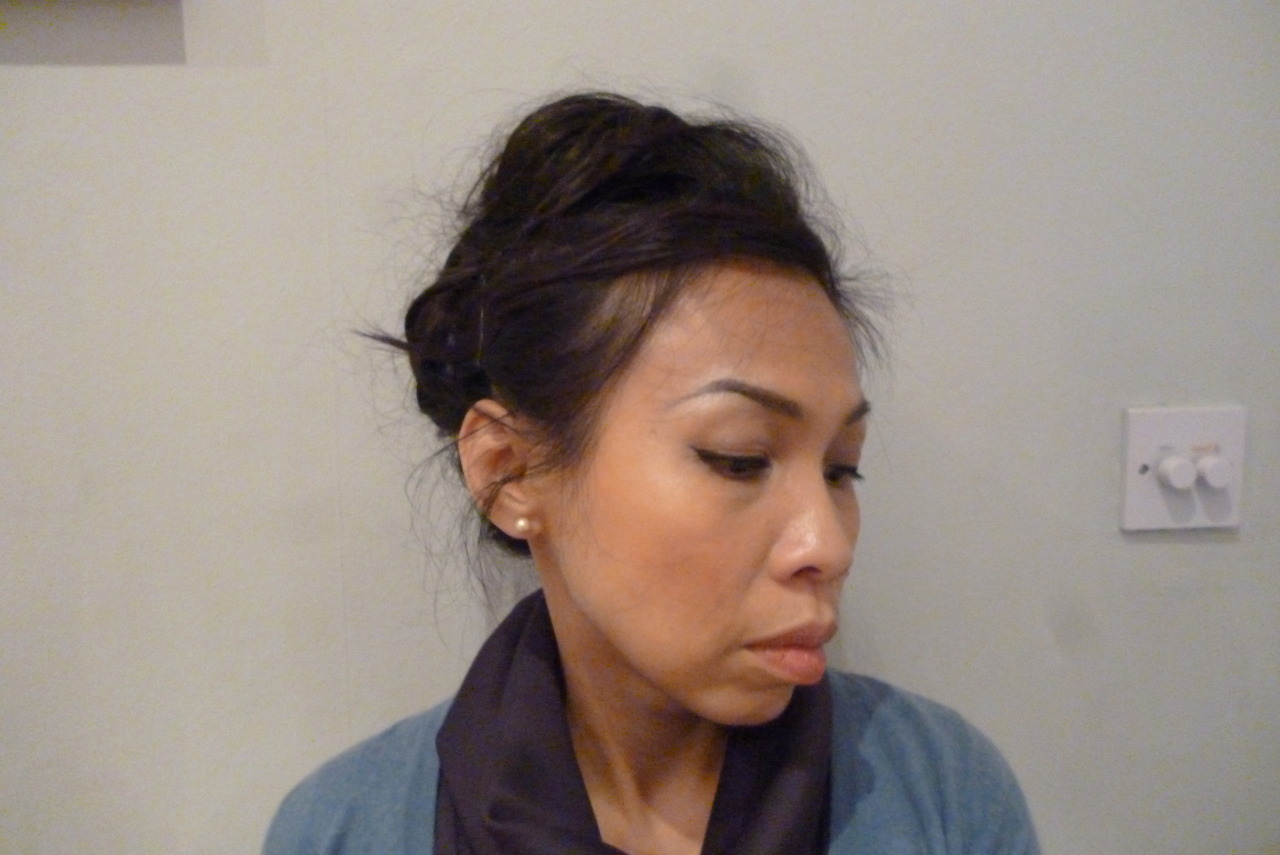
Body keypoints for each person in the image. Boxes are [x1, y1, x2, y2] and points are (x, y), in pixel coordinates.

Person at [263, 92, 1040, 855]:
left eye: (842, 470)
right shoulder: (344, 829)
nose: (828, 545)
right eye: (739, 457)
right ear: (510, 470)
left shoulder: (944, 797)